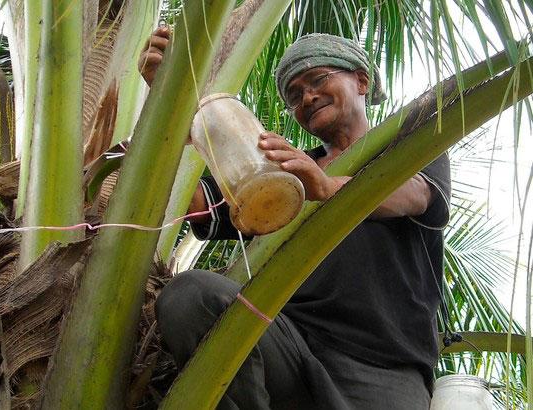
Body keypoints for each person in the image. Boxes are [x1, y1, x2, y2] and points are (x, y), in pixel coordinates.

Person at [139, 29, 451, 409]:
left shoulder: (407, 146)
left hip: (381, 369)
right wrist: (170, 109)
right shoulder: (279, 173)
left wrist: (324, 185)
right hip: (286, 347)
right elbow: (198, 201)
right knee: (189, 296)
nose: (307, 97)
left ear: (362, 81)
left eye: (318, 79)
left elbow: (415, 196)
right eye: (294, 95)